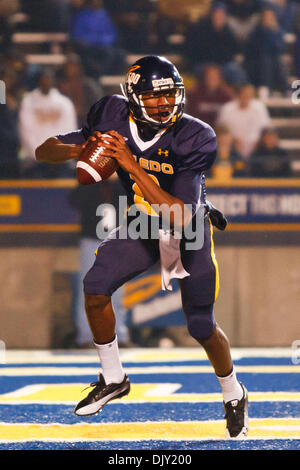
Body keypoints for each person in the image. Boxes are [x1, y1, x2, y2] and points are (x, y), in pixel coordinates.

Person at [35, 55, 248, 439]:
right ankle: (113, 377)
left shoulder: (195, 135)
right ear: (133, 98)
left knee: (201, 325)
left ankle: (233, 391)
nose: (164, 104)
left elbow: (181, 217)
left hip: (188, 230)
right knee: (95, 286)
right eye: (153, 97)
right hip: (142, 223)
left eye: (170, 96)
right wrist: (85, 146)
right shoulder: (110, 115)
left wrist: (131, 165)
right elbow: (43, 151)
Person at [69, 175, 130, 347]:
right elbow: (74, 200)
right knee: (88, 290)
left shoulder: (121, 185)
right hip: (91, 240)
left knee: (117, 291)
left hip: (117, 240)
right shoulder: (89, 185)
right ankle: (86, 336)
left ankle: (120, 334)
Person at [18, 69, 77, 178]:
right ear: (39, 82)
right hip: (35, 158)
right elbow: (25, 130)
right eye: (43, 80)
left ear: (53, 81)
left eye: (48, 79)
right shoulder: (28, 101)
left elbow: (70, 131)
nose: (46, 82)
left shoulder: (64, 103)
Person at [217, 84, 271, 159]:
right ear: (238, 94)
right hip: (232, 148)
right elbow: (221, 130)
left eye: (249, 95)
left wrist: (258, 142)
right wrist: (233, 140)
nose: (246, 97)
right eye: (244, 94)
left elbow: (266, 129)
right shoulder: (227, 109)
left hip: (257, 148)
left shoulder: (260, 108)